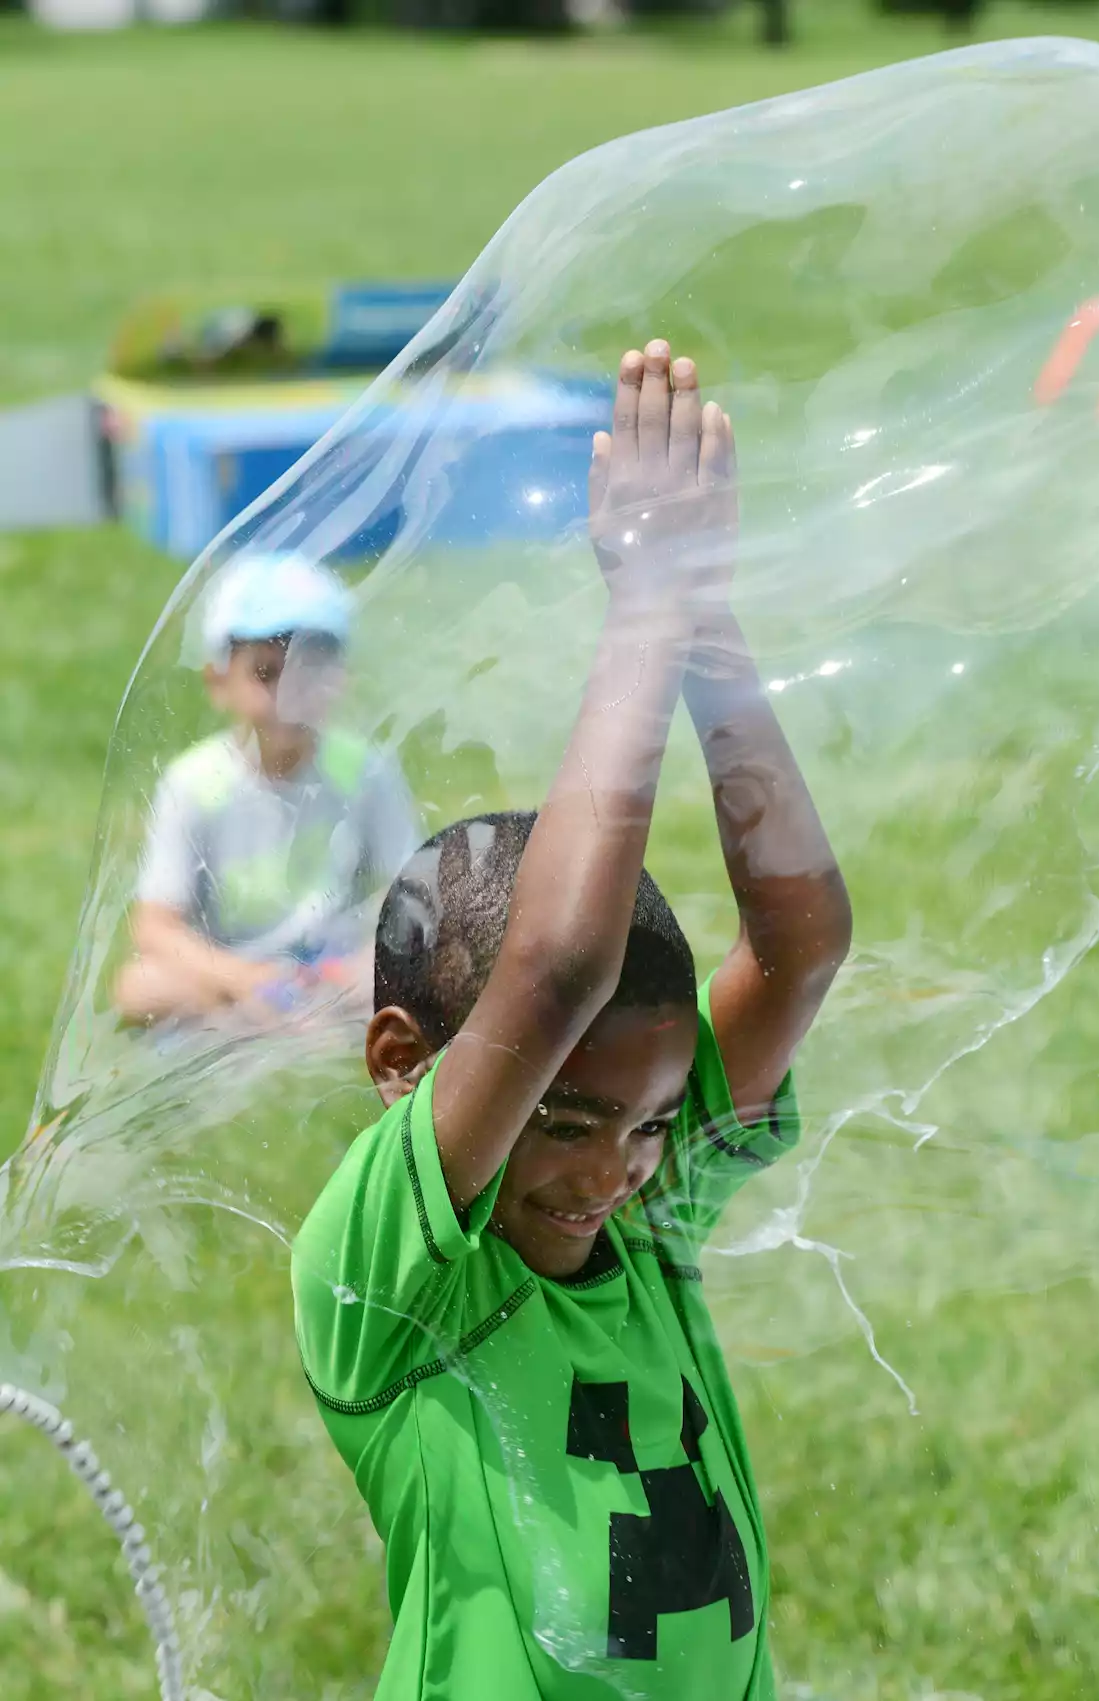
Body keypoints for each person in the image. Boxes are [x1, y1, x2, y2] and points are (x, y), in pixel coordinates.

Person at [291, 341, 852, 1700]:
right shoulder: (401, 1291)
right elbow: (553, 970)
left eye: (655, 1125)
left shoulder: (645, 1234)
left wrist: (711, 622)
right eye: (568, 1118)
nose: (614, 1171)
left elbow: (802, 943)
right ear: (400, 1065)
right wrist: (645, 618)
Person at [114, 552, 420, 1026]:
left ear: (339, 679)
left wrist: (362, 961)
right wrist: (242, 977)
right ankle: (271, 1016)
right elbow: (155, 925)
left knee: (430, 961)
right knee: (139, 987)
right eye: (266, 673)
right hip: (234, 966)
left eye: (309, 671)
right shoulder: (195, 783)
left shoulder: (363, 771)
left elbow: (408, 889)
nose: (290, 694)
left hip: (331, 967)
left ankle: (277, 1021)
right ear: (219, 682)